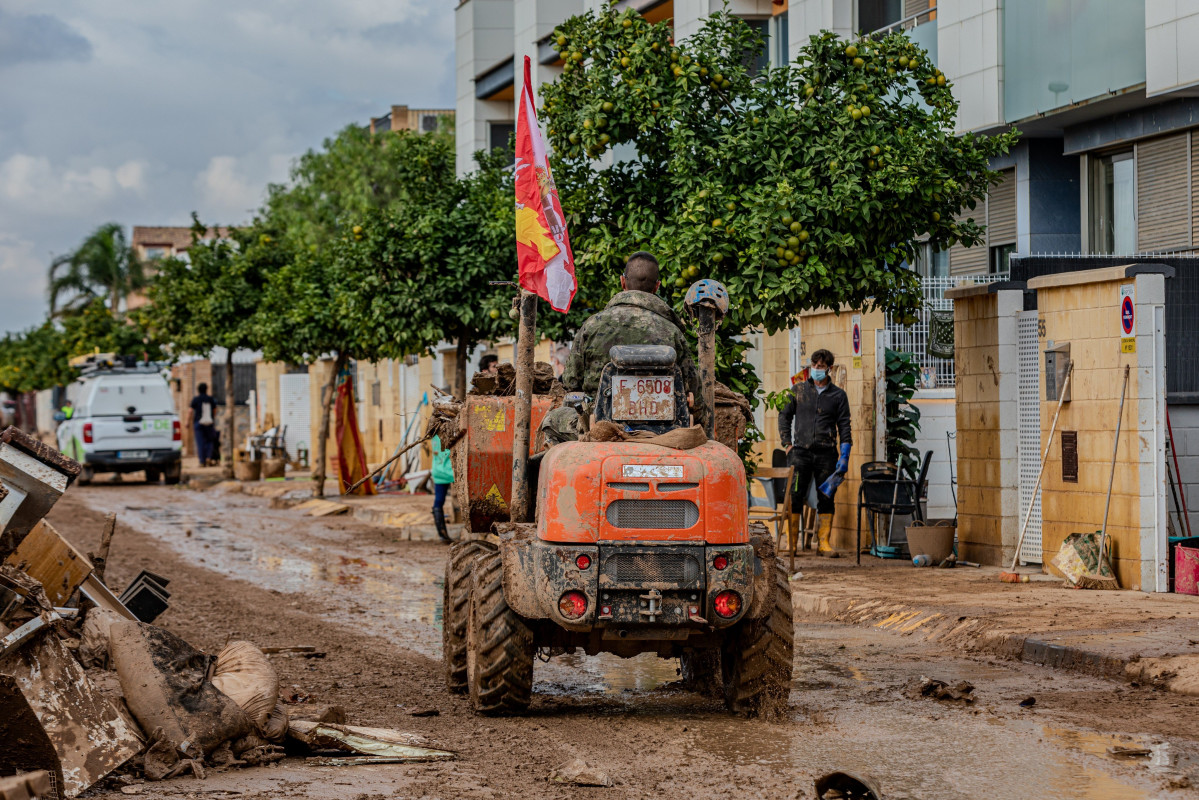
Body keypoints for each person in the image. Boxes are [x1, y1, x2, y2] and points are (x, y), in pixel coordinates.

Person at [561, 251, 706, 429]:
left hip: (601, 425)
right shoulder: (673, 332)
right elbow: (694, 395)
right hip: (664, 429)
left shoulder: (592, 326)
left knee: (552, 420)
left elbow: (570, 383)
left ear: (623, 282)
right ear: (657, 287)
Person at [778, 349, 852, 557]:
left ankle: (823, 543)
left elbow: (845, 426)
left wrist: (844, 455)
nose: (817, 369)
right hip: (800, 452)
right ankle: (793, 543)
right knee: (794, 494)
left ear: (829, 369)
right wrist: (787, 443)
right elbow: (784, 416)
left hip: (827, 453)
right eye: (814, 365)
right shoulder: (799, 390)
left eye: (821, 366)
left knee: (826, 496)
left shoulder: (838, 396)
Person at [430, 434, 454, 542]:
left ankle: (442, 534)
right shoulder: (449, 432)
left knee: (438, 501)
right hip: (451, 471)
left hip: (437, 471)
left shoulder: (433, 435)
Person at [188, 383, 218, 467]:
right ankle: (208, 457)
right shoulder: (210, 399)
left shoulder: (196, 399)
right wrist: (212, 418)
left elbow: (190, 411)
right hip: (209, 423)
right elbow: (215, 409)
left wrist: (187, 422)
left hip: (198, 423)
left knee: (200, 442)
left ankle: (202, 461)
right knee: (209, 441)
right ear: (206, 389)